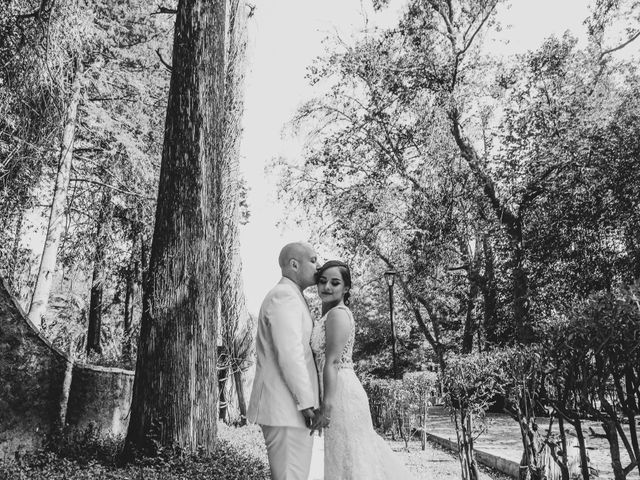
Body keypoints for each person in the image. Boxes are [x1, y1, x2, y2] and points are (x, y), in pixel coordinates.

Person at [310, 260, 416, 480]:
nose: (327, 287)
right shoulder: (329, 314)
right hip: (335, 389)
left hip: (341, 394)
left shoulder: (338, 314)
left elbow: (332, 362)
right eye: (322, 281)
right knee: (345, 458)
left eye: (335, 282)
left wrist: (326, 407)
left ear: (346, 288)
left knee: (352, 458)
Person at [247, 242, 321, 480]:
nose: (317, 266)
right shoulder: (283, 296)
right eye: (313, 260)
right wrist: (307, 403)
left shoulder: (292, 295)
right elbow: (289, 354)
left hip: (290, 410)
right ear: (294, 264)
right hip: (286, 409)